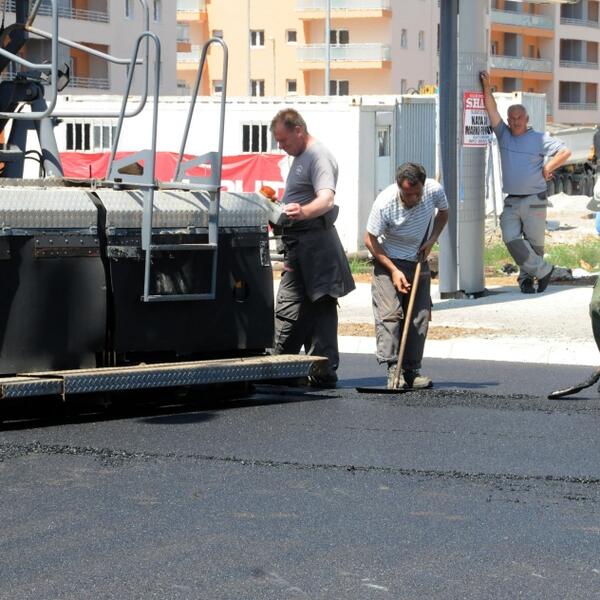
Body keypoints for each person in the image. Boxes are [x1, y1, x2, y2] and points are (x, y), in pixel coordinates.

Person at [270, 108, 355, 389]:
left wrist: (303, 212)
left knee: (318, 306)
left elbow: (326, 199)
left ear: (298, 130)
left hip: (316, 245)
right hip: (300, 244)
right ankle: (287, 367)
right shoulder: (300, 157)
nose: (281, 146)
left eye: (283, 140)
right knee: (298, 305)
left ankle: (320, 369)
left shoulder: (318, 156)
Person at [480, 70, 571, 294]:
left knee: (534, 244)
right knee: (510, 237)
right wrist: (487, 86)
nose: (515, 122)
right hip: (512, 200)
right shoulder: (503, 134)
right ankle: (544, 270)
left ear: (527, 119)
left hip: (534, 199)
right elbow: (492, 110)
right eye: (511, 118)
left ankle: (526, 280)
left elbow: (565, 151)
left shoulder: (538, 138)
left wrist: (548, 167)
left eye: (519, 118)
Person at [364, 162, 449, 390]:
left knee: (420, 316)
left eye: (417, 193)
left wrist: (432, 239)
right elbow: (369, 240)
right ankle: (394, 369)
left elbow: (443, 213)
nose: (412, 199)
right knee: (391, 315)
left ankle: (411, 371)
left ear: (423, 185)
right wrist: (393, 270)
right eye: (407, 194)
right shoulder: (385, 203)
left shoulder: (433, 190)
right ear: (398, 186)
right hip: (388, 260)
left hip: (418, 260)